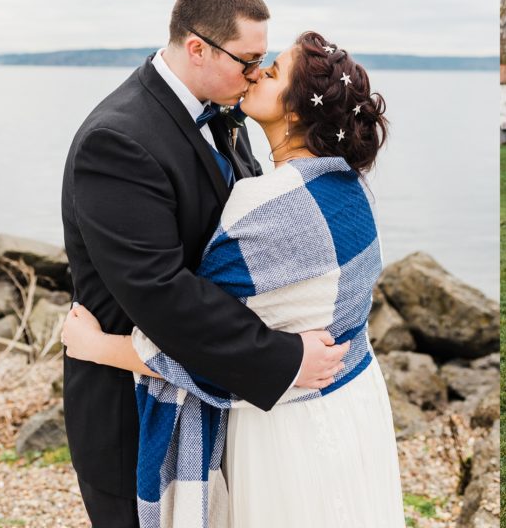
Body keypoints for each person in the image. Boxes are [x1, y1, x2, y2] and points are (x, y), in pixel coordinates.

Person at [63, 31, 405, 526]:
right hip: (353, 405)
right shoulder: (350, 191)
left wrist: (94, 346)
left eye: (272, 70)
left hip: (283, 425)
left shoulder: (264, 204)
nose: (256, 72)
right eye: (254, 60)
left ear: (293, 111)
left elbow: (196, 340)